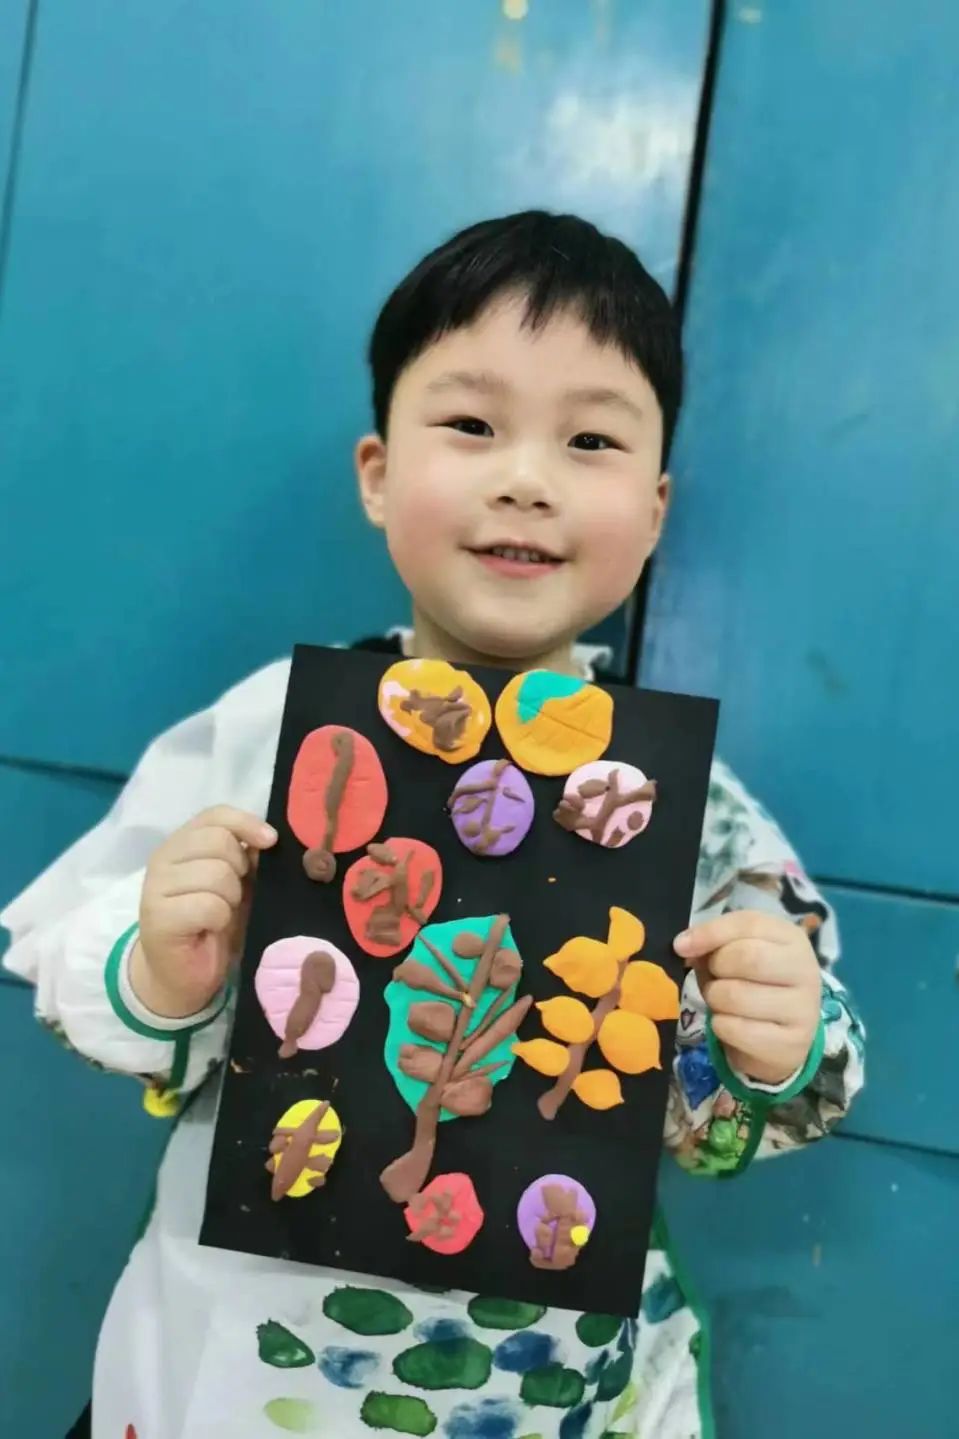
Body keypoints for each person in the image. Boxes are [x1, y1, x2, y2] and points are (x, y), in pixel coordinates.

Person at [2, 212, 865, 1439]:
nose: (526, 477)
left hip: (539, 1379)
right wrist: (160, 970)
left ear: (654, 507)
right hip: (238, 1367)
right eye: (470, 424)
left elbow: (746, 1106)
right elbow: (78, 964)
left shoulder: (692, 809)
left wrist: (768, 1041)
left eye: (589, 439)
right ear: (375, 473)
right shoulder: (268, 735)